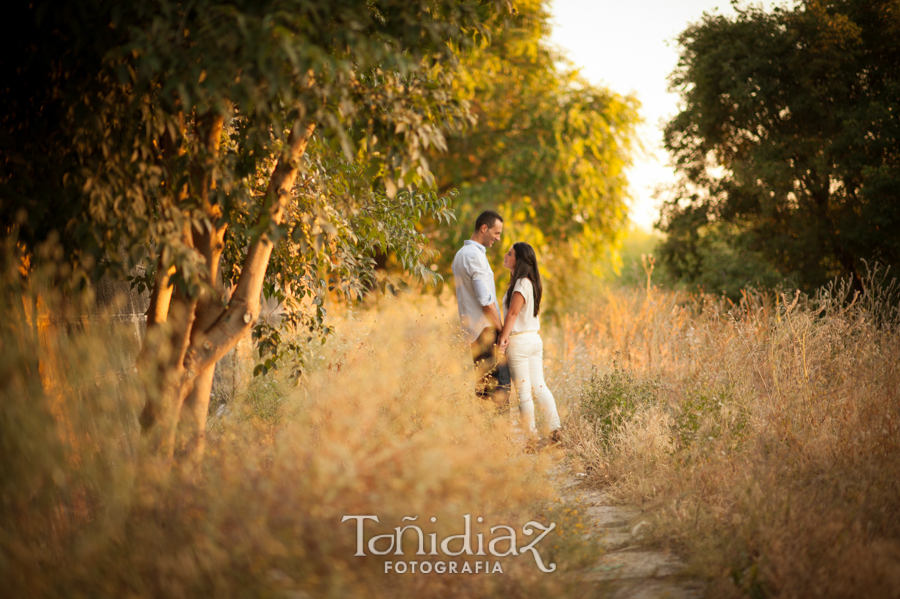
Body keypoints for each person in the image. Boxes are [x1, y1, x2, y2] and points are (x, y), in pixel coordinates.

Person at [497, 242, 562, 448]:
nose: (506, 255)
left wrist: (502, 339)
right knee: (540, 387)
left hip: (520, 342)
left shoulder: (520, 284)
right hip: (534, 339)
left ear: (520, 260)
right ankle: (556, 431)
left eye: (510, 253)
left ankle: (531, 440)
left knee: (525, 392)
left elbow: (513, 314)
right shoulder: (530, 282)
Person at [451, 210, 511, 411]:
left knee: (484, 390)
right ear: (484, 228)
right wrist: (502, 330)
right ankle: (500, 440)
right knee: (500, 389)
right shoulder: (474, 256)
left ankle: (484, 439)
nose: (498, 238)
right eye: (496, 232)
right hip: (486, 332)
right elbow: (485, 299)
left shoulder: (461, 254)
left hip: (474, 334)